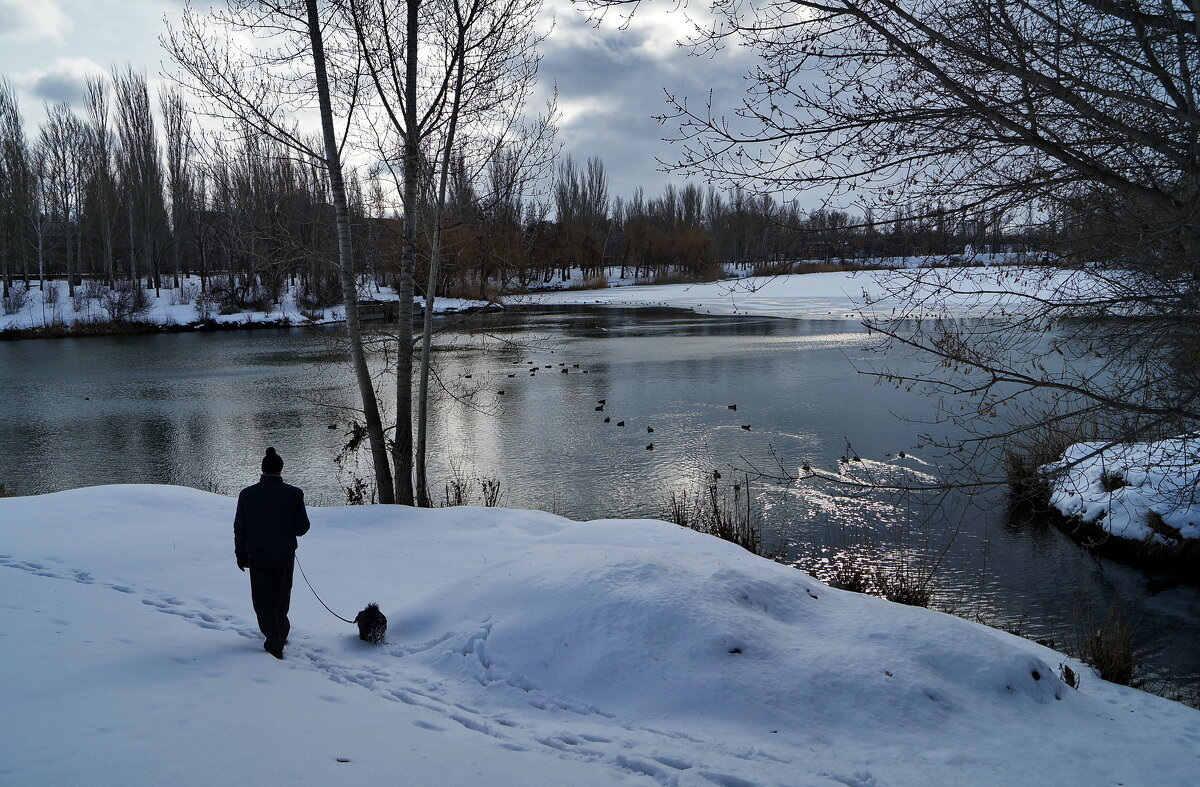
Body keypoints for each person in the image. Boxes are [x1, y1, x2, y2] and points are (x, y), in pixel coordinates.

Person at [234, 447, 310, 659]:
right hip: (285, 555)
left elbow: (240, 527)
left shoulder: (247, 495)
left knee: (263, 600)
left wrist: (240, 553)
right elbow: (301, 528)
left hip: (258, 556)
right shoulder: (294, 494)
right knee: (282, 595)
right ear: (280, 470)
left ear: (262, 470)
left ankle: (273, 638)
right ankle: (280, 632)